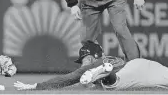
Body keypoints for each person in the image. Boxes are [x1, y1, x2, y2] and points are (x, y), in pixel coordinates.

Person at [14, 41, 168, 91]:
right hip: (147, 67)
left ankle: (106, 73)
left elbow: (70, 78)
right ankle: (106, 74)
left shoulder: (97, 62)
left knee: (112, 84)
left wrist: (37, 86)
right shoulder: (111, 58)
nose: (83, 63)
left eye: (84, 58)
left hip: (128, 74)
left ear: (93, 56)